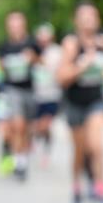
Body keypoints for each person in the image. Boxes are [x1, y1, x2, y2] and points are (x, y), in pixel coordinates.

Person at [58, 0, 103, 203]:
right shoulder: (71, 44)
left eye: (93, 15)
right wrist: (83, 65)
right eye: (84, 16)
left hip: (96, 102)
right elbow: (62, 77)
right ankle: (77, 188)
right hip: (74, 103)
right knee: (80, 152)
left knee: (97, 147)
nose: (89, 20)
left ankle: (102, 193)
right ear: (77, 21)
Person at [0, 11, 40, 181]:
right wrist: (3, 65)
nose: (16, 28)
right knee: (17, 125)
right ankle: (19, 163)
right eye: (12, 25)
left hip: (29, 90)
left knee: (28, 129)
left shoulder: (31, 43)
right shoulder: (4, 46)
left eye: (18, 24)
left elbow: (41, 63)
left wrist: (33, 58)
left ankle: (21, 155)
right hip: (12, 90)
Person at [32, 23, 63, 166]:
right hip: (37, 95)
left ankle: (46, 150)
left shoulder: (57, 52)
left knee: (46, 125)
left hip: (52, 95)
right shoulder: (32, 51)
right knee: (38, 126)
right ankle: (41, 144)